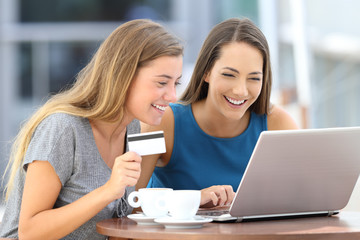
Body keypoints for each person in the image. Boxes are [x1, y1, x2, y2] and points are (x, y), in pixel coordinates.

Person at [0, 19, 183, 239]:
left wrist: (195, 201)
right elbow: (30, 233)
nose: (172, 96)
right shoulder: (63, 129)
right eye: (162, 83)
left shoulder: (132, 128)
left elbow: (120, 222)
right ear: (123, 76)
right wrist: (107, 191)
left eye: (176, 83)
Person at [137, 18, 299, 208]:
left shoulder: (279, 123)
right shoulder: (159, 120)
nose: (241, 91)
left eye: (254, 78)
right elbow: (127, 203)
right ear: (206, 72)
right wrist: (195, 200)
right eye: (229, 75)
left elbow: (302, 197)